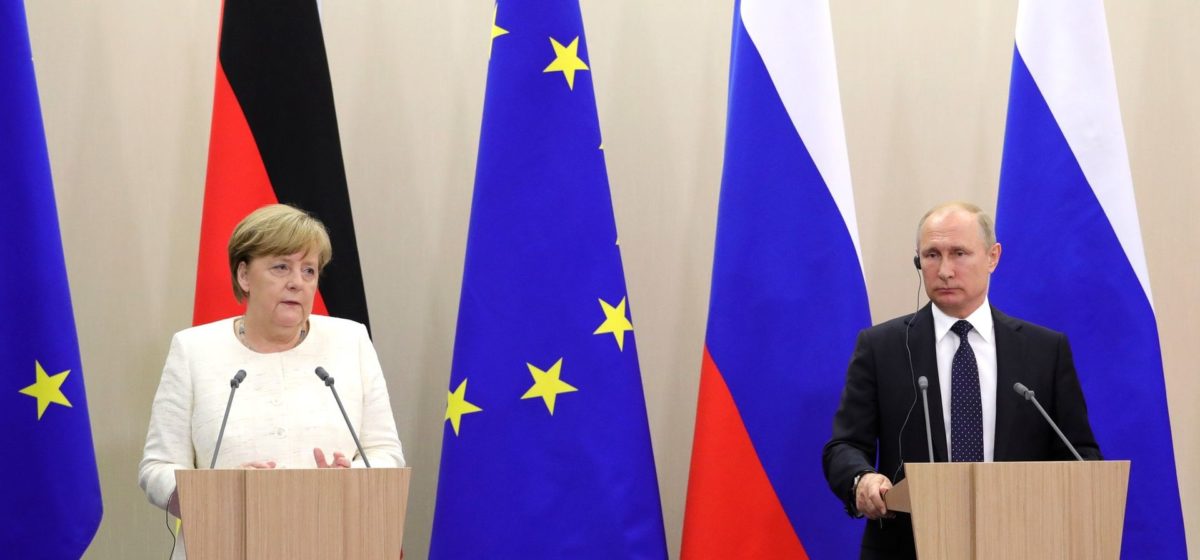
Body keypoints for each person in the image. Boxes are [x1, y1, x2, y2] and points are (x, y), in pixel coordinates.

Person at [822, 201, 1101, 559]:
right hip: (909, 545)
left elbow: (1080, 453)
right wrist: (863, 479)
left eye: (959, 253)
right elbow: (843, 446)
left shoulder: (1045, 350)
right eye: (932, 255)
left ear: (992, 257)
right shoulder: (882, 347)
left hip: (1023, 542)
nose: (945, 270)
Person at [138, 204, 404, 556]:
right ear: (244, 275)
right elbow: (156, 468)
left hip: (335, 543)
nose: (297, 281)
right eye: (281, 267)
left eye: (309, 270)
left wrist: (351, 477)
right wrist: (219, 490)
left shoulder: (350, 341)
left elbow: (386, 453)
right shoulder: (194, 349)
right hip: (224, 545)